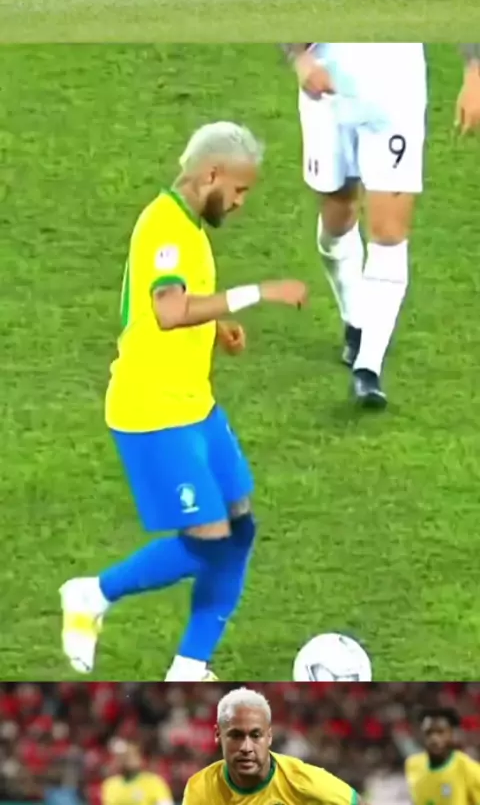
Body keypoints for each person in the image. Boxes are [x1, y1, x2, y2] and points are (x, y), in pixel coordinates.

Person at [59, 121, 307, 681]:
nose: (240, 203)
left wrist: (217, 326)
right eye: (238, 190)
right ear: (211, 174)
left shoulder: (190, 228)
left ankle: (190, 667)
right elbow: (170, 312)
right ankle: (92, 594)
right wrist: (258, 293)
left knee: (239, 527)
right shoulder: (164, 227)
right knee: (209, 540)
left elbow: (181, 302)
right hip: (152, 412)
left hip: (196, 406)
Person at [281, 43, 480, 409]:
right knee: (337, 218)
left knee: (389, 234)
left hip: (395, 91)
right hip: (327, 85)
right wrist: (300, 59)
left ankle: (367, 368)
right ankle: (355, 319)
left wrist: (475, 69)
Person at [183, 687, 366, 805]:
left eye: (256, 735)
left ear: (269, 736)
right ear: (218, 735)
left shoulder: (301, 781)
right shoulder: (201, 787)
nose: (246, 747)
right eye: (236, 735)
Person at [405, 707, 480, 805]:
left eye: (440, 732)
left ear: (451, 734)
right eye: (429, 732)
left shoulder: (468, 768)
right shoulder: (413, 765)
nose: (434, 738)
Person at [102, 741, 173, 805]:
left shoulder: (154, 782)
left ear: (140, 758)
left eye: (132, 755)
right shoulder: (109, 784)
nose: (128, 759)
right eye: (124, 756)